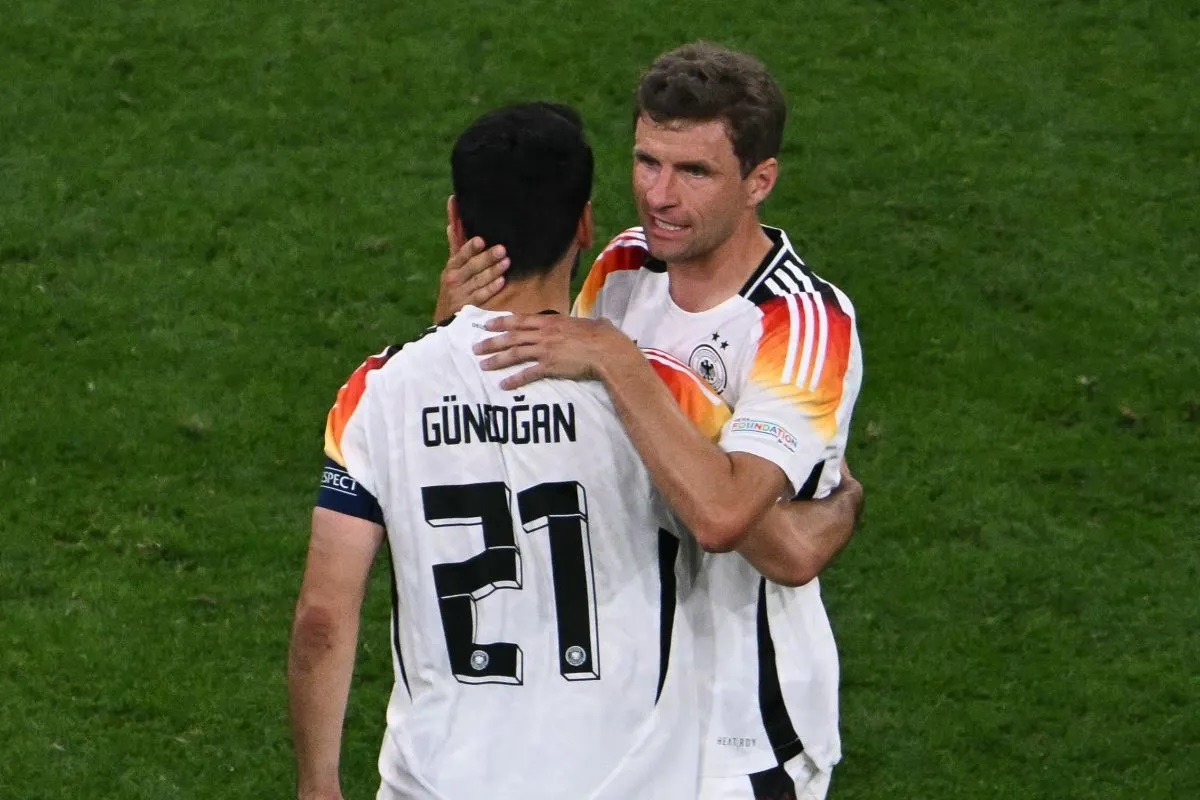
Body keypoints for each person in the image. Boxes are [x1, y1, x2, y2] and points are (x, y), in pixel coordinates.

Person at [287, 101, 750, 800]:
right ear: (586, 225)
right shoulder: (657, 391)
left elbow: (323, 616)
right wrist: (839, 506)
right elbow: (760, 532)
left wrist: (317, 787)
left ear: (454, 222)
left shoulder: (377, 393)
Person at [444, 43, 864, 799]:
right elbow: (545, 425)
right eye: (646, 162)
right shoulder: (624, 265)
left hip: (736, 733)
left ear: (759, 181)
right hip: (622, 703)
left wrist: (620, 363)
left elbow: (722, 516)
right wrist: (456, 329)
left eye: (694, 172)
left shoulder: (800, 323)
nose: (659, 196)